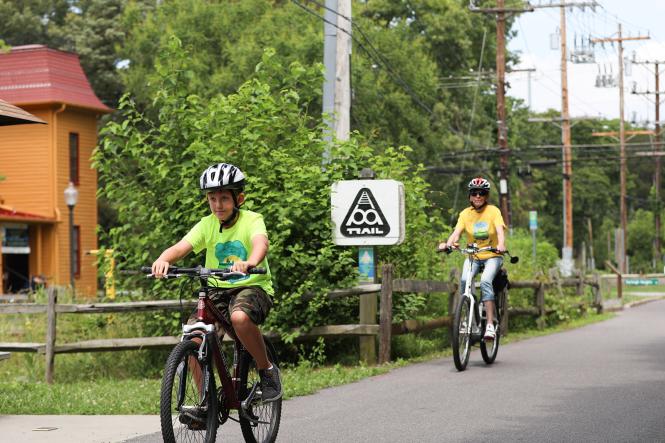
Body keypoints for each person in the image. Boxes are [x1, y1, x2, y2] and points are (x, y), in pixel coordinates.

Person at [151, 162, 282, 402]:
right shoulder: (207, 224)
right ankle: (205, 401)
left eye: (224, 198)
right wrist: (163, 259)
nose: (218, 205)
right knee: (193, 339)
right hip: (216, 290)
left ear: (238, 199)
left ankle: (267, 370)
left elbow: (260, 244)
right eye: (212, 198)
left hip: (252, 287)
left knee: (239, 318)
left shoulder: (252, 220)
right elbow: (182, 247)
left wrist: (249, 263)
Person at [439, 177, 506, 341]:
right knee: (464, 280)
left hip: (492, 255)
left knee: (484, 281)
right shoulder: (465, 214)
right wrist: (448, 244)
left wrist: (501, 244)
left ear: (486, 196)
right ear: (470, 196)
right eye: (474, 193)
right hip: (473, 256)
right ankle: (468, 320)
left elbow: (499, 231)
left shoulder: (493, 211)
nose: (478, 196)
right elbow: (456, 233)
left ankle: (489, 325)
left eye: (481, 193)